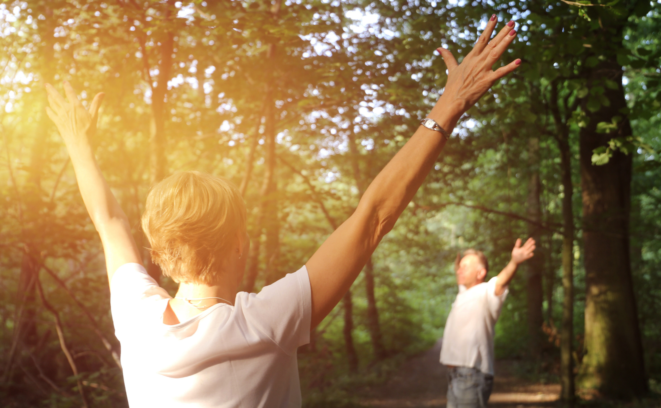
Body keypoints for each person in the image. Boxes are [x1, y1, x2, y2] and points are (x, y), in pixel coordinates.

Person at [44, 15, 521, 408]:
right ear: (238, 243)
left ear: (162, 253)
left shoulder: (136, 319)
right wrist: (449, 105)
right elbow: (372, 217)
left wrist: (76, 143)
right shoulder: (266, 322)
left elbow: (108, 221)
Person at [440, 238, 537, 408]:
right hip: (453, 375)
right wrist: (460, 259)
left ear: (480, 273)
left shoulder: (486, 292)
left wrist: (514, 262)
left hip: (471, 375)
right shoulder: (462, 293)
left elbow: (501, 280)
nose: (459, 271)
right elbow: (458, 271)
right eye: (459, 267)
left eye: (465, 267)